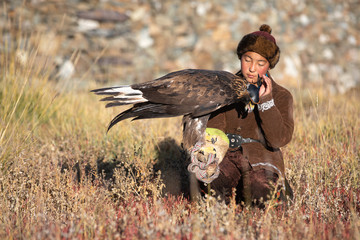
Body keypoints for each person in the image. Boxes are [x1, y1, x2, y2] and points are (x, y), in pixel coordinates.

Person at [202, 24, 294, 207]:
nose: (252, 68)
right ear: (240, 58)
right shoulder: (223, 89)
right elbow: (213, 131)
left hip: (262, 160)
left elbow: (277, 139)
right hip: (225, 155)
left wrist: (266, 101)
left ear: (269, 65)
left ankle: (276, 194)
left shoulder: (282, 95)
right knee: (210, 180)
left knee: (260, 188)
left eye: (260, 63)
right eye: (247, 59)